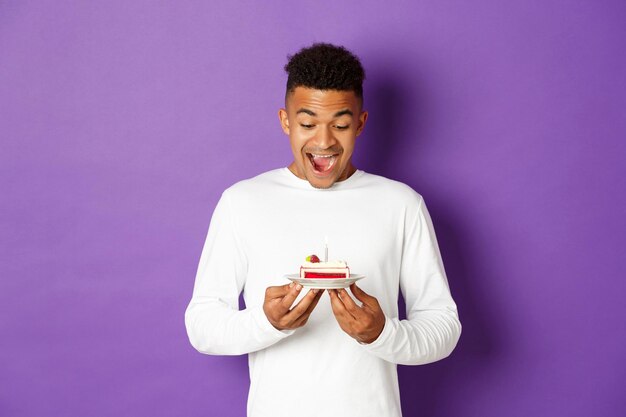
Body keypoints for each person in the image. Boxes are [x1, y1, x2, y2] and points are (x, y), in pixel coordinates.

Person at [185, 43, 461, 417]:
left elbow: (443, 326)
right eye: (307, 123)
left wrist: (383, 334)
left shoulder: (401, 204)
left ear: (361, 123)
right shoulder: (242, 202)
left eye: (341, 125)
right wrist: (265, 322)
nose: (324, 142)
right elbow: (202, 325)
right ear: (285, 121)